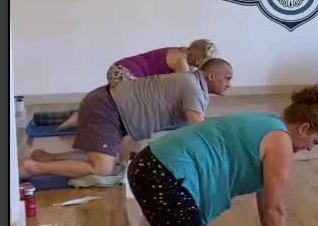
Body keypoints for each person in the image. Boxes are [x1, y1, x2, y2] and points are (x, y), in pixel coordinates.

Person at [35, 87, 318, 226]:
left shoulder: (268, 125)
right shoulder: (281, 141)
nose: (310, 149)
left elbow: (264, 198)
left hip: (150, 167)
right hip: (164, 175)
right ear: (304, 128)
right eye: (314, 141)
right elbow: (275, 207)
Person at [19, 59, 234, 180]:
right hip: (106, 108)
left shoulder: (193, 84)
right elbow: (198, 130)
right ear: (211, 76)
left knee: (109, 159)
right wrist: (226, 158)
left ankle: (45, 157)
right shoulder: (193, 87)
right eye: (227, 78)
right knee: (103, 169)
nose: (230, 84)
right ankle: (32, 168)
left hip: (108, 106)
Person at [58, 39, 219, 129]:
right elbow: (188, 87)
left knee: (114, 103)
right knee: (127, 106)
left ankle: (80, 115)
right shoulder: (181, 60)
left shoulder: (181, 53)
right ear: (198, 59)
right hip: (124, 72)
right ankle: (82, 118)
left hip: (120, 69)